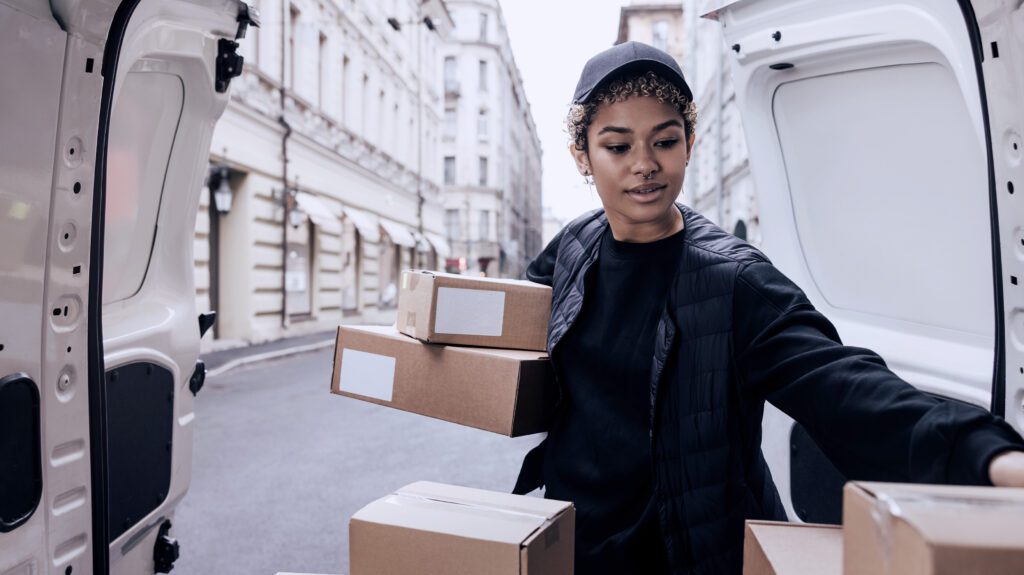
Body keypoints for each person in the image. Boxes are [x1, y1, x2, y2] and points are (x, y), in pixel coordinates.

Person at [512, 41, 1024, 575]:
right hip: (576, 543)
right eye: (618, 147)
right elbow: (514, 325)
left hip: (689, 553)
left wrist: (986, 457)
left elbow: (840, 384)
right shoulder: (574, 245)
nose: (645, 165)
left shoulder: (734, 280)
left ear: (690, 144)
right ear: (583, 157)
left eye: (664, 141)